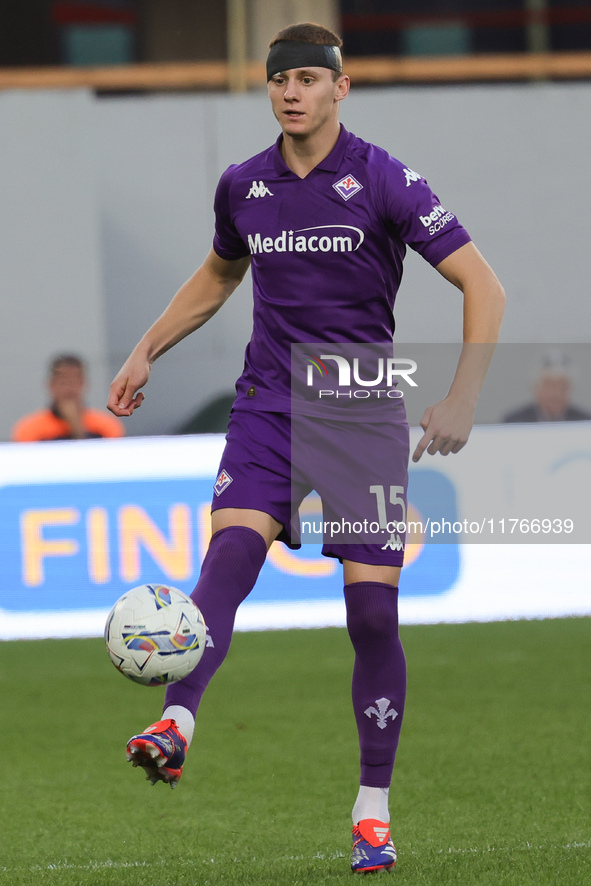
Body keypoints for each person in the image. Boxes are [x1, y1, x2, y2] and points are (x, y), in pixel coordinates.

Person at [107, 22, 505, 874]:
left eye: (306, 80)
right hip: (267, 406)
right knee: (228, 561)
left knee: (370, 615)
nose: (290, 92)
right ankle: (176, 723)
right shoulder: (243, 186)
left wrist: (462, 397)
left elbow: (482, 282)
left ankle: (371, 809)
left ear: (339, 88)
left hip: (358, 413)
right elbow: (219, 274)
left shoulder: (383, 178)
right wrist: (147, 347)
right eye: (278, 80)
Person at [12, 353, 125, 442]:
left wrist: (78, 429)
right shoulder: (30, 427)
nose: (69, 389)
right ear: (50, 385)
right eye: (63, 382)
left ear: (84, 384)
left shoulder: (106, 425)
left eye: (74, 382)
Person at [503, 350, 591, 422]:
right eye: (550, 386)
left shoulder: (584, 422)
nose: (556, 393)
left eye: (562, 387)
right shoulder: (515, 422)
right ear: (536, 388)